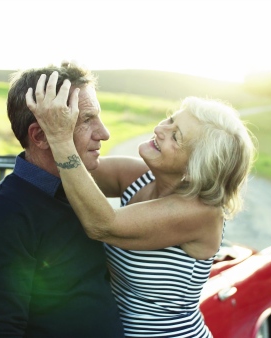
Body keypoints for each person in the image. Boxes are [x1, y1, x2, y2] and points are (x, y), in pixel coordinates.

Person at [25, 72, 256, 337]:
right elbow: (64, 174)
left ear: (196, 168)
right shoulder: (137, 177)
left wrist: (60, 137)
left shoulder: (201, 212)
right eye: (170, 120)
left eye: (175, 136)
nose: (160, 129)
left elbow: (102, 224)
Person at [0, 63, 124, 337]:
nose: (104, 133)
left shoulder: (80, 190)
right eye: (86, 120)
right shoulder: (2, 213)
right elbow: (2, 330)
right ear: (40, 136)